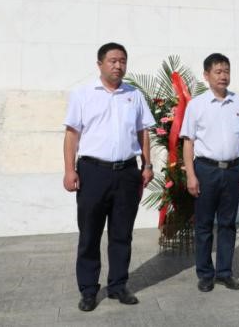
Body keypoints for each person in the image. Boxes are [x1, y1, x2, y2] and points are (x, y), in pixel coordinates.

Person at [63, 42, 155, 312]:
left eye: (122, 61)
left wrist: (147, 165)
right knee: (89, 233)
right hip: (93, 172)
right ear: (100, 64)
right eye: (113, 60)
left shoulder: (134, 95)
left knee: (122, 233)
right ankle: (88, 290)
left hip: (127, 173)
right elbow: (72, 135)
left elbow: (143, 132)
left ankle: (118, 285)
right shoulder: (83, 94)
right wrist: (69, 169)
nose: (118, 65)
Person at [181, 53, 239, 292]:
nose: (223, 76)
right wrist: (191, 175)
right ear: (206, 75)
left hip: (232, 169)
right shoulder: (197, 105)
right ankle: (205, 274)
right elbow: (188, 142)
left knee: (227, 223)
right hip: (206, 170)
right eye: (218, 71)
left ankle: (225, 272)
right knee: (203, 224)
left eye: (226, 71)